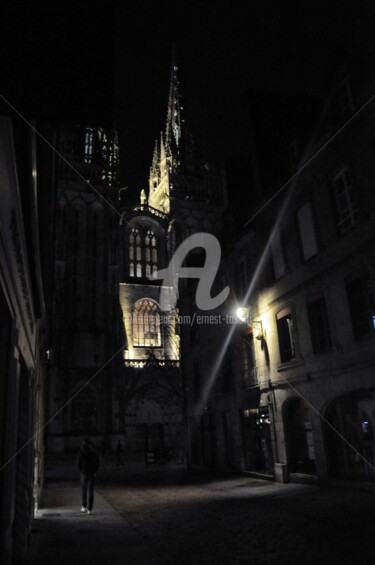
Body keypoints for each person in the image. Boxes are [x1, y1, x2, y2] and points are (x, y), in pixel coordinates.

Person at [77, 438, 100, 515]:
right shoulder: (94, 452)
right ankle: (89, 508)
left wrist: (80, 470)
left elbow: (78, 462)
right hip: (91, 473)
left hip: (84, 472)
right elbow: (97, 462)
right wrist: (95, 471)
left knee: (84, 490)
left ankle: (84, 506)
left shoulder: (81, 452)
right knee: (90, 491)